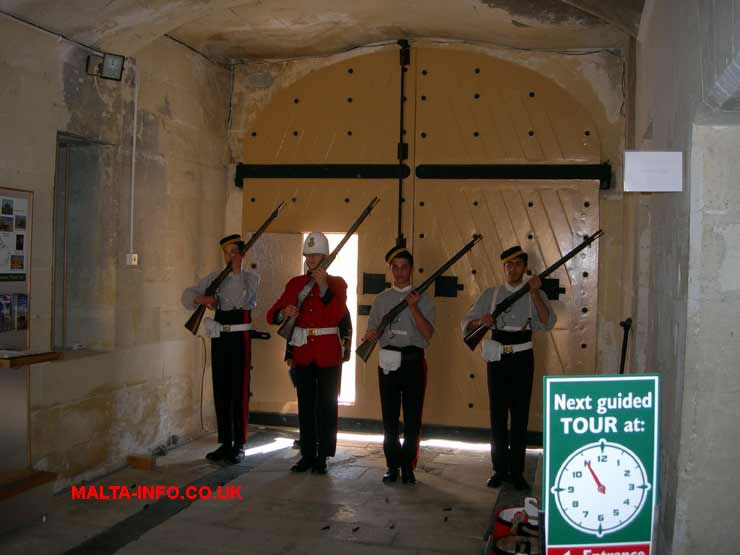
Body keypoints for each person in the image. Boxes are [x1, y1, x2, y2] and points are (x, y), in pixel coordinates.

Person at [461, 245, 556, 491]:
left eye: (517, 264)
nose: (512, 269)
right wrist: (480, 321)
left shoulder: (533, 292)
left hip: (523, 359)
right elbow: (466, 323)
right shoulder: (491, 294)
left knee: (521, 416)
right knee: (498, 416)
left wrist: (535, 293)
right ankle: (499, 469)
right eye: (508, 265)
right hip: (498, 361)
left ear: (525, 267)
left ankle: (517, 472)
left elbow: (547, 322)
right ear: (504, 267)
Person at [266, 232, 348, 474]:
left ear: (325, 257)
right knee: (306, 405)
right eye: (308, 255)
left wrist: (324, 287)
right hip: (302, 352)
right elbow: (272, 314)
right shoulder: (295, 284)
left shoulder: (337, 284)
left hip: (327, 352)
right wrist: (285, 312)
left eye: (315, 255)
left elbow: (335, 316)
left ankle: (323, 455)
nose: (311, 259)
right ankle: (308, 453)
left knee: (326, 405)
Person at [182, 234, 260, 464]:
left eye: (234, 252)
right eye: (227, 253)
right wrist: (202, 300)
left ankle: (239, 444)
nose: (229, 256)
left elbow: (239, 299)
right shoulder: (215, 277)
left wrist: (235, 272)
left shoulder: (250, 278)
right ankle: (225, 442)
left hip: (240, 339)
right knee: (221, 390)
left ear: (242, 255)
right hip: (220, 337)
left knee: (239, 391)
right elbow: (186, 295)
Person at [363, 245, 435, 484]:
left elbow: (427, 334)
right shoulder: (381, 299)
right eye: (395, 267)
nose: (400, 272)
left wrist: (413, 307)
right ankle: (392, 464)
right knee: (390, 418)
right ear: (391, 270)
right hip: (388, 363)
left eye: (404, 267)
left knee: (413, 418)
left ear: (411, 269)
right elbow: (371, 330)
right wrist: (371, 336)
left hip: (414, 362)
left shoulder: (423, 298)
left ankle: (408, 466)